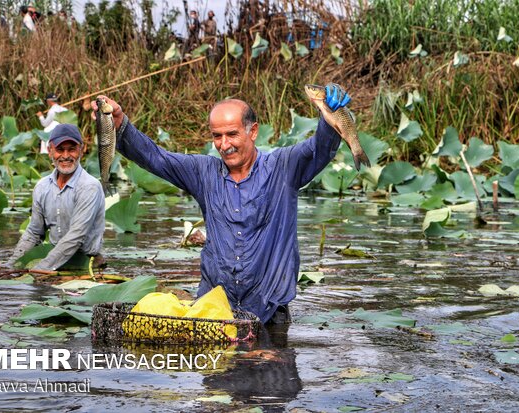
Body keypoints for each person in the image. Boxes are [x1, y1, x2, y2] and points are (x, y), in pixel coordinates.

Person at [91, 84, 351, 323]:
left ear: (253, 131)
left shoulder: (284, 167)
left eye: (232, 134)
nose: (224, 145)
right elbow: (156, 158)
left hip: (269, 312)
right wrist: (120, 124)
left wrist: (330, 113)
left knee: (273, 371)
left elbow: (320, 148)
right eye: (217, 136)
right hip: (213, 311)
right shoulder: (204, 172)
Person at [6, 124, 105, 271]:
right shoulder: (42, 187)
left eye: (71, 149)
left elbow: (76, 236)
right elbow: (34, 233)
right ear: (50, 151)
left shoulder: (90, 186)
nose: (65, 156)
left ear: (81, 150)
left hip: (85, 265)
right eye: (60, 150)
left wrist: (40, 269)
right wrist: (11, 266)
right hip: (54, 262)